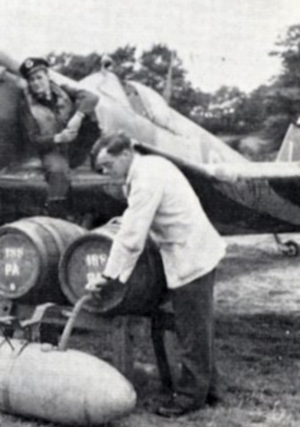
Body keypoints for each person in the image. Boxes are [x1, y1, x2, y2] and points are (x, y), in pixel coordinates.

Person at [87, 132, 226, 417]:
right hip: (190, 249)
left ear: (125, 154)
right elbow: (140, 216)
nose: (106, 172)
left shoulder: (147, 177)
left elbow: (132, 238)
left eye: (108, 165)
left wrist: (109, 276)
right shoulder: (148, 168)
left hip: (192, 255)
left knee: (191, 330)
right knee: (197, 327)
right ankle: (210, 389)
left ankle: (189, 398)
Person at [18, 57, 99, 217]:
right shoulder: (27, 106)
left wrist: (78, 116)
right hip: (53, 149)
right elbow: (32, 139)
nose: (36, 83)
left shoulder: (64, 91)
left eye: (39, 77)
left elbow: (92, 97)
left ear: (48, 77)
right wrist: (58, 138)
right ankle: (56, 214)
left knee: (92, 118)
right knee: (58, 170)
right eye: (32, 80)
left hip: (77, 147)